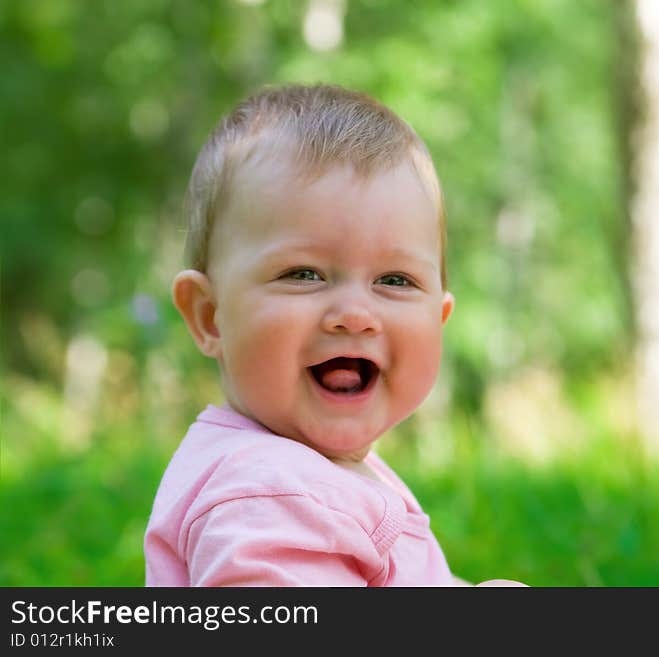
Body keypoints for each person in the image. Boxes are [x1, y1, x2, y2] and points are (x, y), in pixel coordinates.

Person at [144, 83, 524, 586]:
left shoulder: (307, 474)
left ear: (439, 319)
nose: (354, 314)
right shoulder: (267, 491)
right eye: (304, 274)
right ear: (211, 316)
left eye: (395, 280)